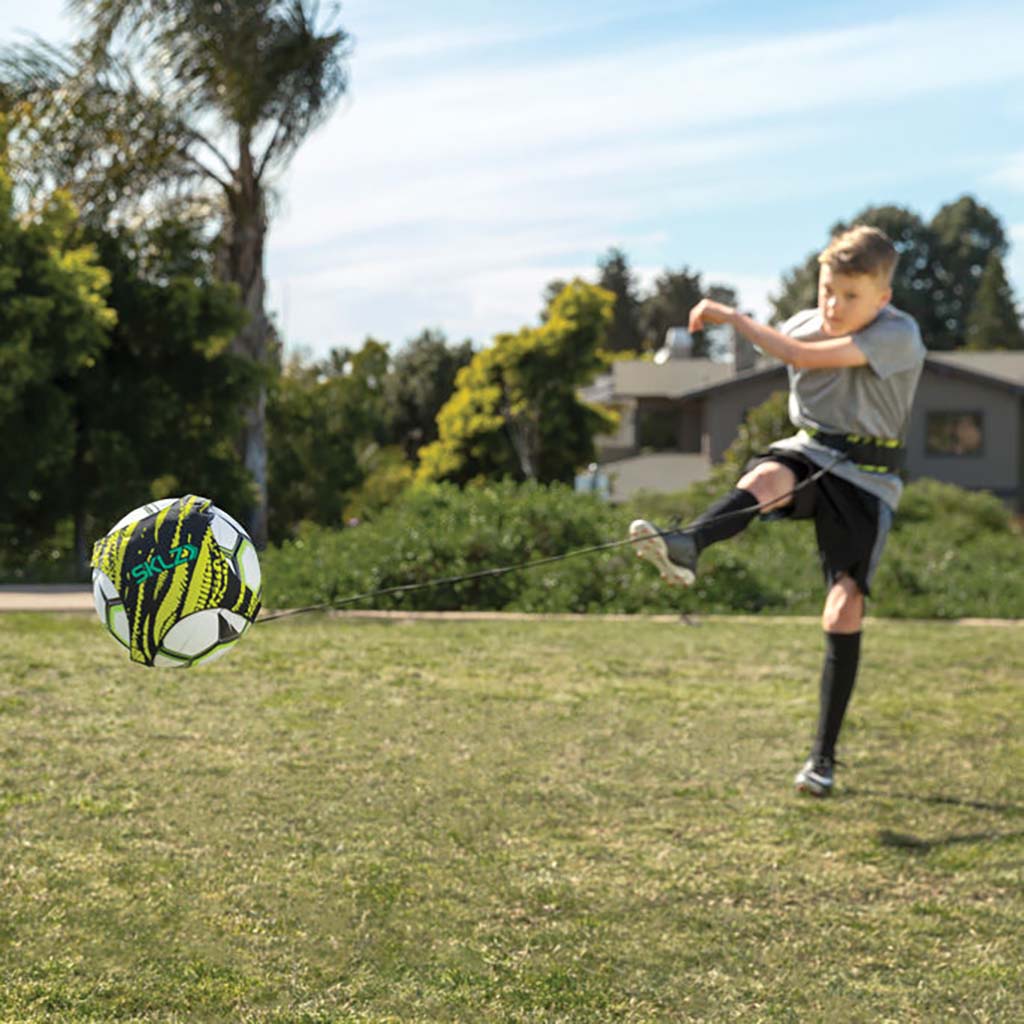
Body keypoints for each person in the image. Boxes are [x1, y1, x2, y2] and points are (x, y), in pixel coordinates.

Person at [629, 225, 926, 797]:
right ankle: (690, 545)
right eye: (826, 291)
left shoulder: (898, 335)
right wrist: (745, 333)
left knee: (843, 609)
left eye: (850, 296)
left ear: (882, 298)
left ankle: (822, 760)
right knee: (767, 474)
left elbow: (794, 355)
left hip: (868, 478)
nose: (833, 307)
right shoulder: (801, 323)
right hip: (812, 450)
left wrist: (736, 319)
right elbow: (788, 344)